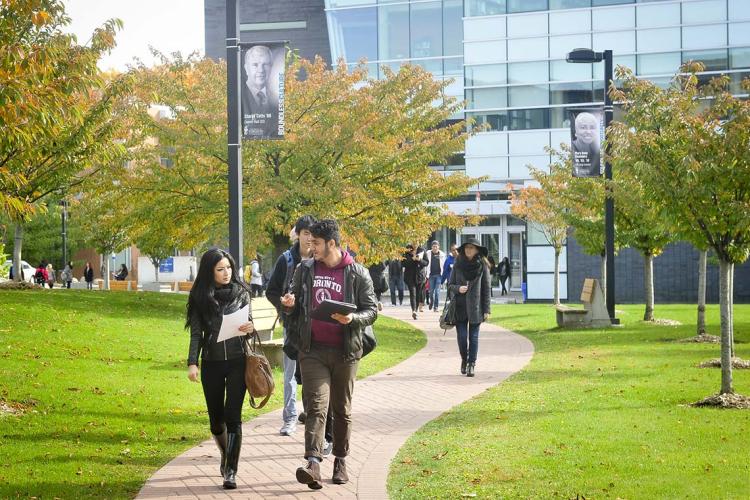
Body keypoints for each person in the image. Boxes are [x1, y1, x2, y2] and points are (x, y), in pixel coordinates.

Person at [281, 219, 377, 490]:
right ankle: (312, 463)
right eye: (309, 242)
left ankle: (341, 460)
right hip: (312, 350)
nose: (310, 247)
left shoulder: (358, 273)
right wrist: (288, 305)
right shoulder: (305, 269)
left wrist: (352, 319)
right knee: (315, 406)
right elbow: (295, 303)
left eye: (316, 243)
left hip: (345, 352)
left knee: (341, 409)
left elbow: (372, 311)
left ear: (332, 244)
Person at [185, 248, 255, 490]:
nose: (227, 273)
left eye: (229, 268)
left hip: (238, 361)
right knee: (216, 422)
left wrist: (249, 327)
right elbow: (196, 334)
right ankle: (226, 454)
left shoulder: (243, 292)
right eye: (220, 269)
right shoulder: (200, 296)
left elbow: (251, 324)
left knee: (233, 417)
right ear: (210, 271)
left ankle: (231, 471)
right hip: (212, 364)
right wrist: (192, 362)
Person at [266, 215, 318, 438]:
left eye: (312, 234)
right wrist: (283, 304)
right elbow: (271, 291)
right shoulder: (286, 260)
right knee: (289, 373)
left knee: (311, 372)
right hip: (291, 326)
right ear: (298, 234)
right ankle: (289, 419)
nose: (309, 238)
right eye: (305, 233)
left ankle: (310, 414)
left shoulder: (321, 259)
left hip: (315, 326)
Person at [447, 238, 491, 378]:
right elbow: (450, 285)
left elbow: (486, 288)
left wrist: (486, 310)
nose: (468, 250)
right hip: (460, 307)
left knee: (473, 337)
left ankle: (471, 364)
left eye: (472, 248)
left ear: (477, 250)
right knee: (462, 337)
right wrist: (458, 288)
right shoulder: (457, 264)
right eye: (467, 248)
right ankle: (464, 360)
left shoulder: (483, 265)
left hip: (476, 307)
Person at [241, 45, 279, 139]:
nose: (261, 70)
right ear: (246, 68)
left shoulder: (277, 99)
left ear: (271, 67)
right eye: (255, 65)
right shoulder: (238, 96)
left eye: (265, 64)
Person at [402, 244, 428, 319]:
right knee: (412, 293)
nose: (415, 244)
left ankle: (415, 310)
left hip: (420, 276)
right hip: (409, 276)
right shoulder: (407, 250)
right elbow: (403, 263)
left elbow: (426, 263)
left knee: (418, 294)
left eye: (417, 242)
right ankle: (413, 310)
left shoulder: (422, 250)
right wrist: (412, 259)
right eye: (414, 242)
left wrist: (419, 260)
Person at [571, 111, 600, 177]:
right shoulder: (570, 149)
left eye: (592, 127)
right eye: (583, 127)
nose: (588, 132)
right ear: (576, 130)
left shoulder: (600, 151)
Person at [426, 241, 446, 312]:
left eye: (436, 246)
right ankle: (431, 301)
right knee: (431, 292)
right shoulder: (428, 253)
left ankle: (436, 307)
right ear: (431, 247)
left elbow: (444, 266)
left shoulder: (442, 254)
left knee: (437, 292)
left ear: (438, 247)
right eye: (433, 246)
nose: (435, 248)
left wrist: (444, 276)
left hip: (439, 275)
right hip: (431, 275)